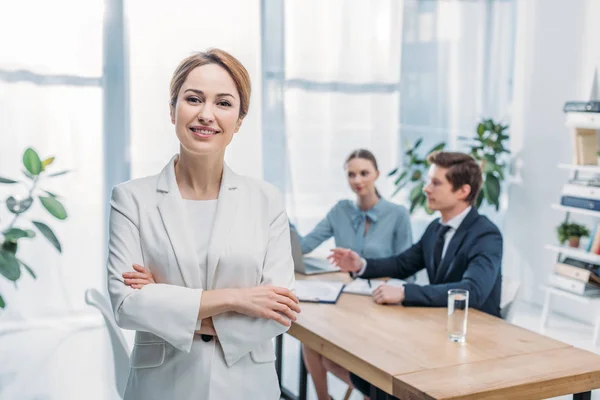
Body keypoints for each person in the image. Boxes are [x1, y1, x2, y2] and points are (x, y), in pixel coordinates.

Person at [106, 49, 300, 400]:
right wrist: (238, 298)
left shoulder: (266, 200)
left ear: (239, 121)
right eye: (193, 99)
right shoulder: (131, 199)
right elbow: (125, 305)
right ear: (172, 109)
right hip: (162, 386)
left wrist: (164, 302)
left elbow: (279, 311)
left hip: (246, 386)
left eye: (223, 103)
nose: (206, 114)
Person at [329, 151, 503, 400]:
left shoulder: (486, 234)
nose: (425, 189)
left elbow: (471, 291)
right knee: (368, 372)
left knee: (388, 379)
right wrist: (361, 264)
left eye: (435, 183)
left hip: (473, 340)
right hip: (438, 328)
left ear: (463, 191)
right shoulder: (436, 228)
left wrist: (404, 292)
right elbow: (403, 263)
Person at [294, 149, 413, 400]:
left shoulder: (397, 214)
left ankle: (373, 393)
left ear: (377, 174)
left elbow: (407, 269)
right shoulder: (341, 210)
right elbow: (305, 245)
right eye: (351, 175)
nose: (357, 180)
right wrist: (281, 227)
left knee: (334, 355)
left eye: (364, 173)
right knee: (312, 341)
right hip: (347, 300)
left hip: (382, 304)